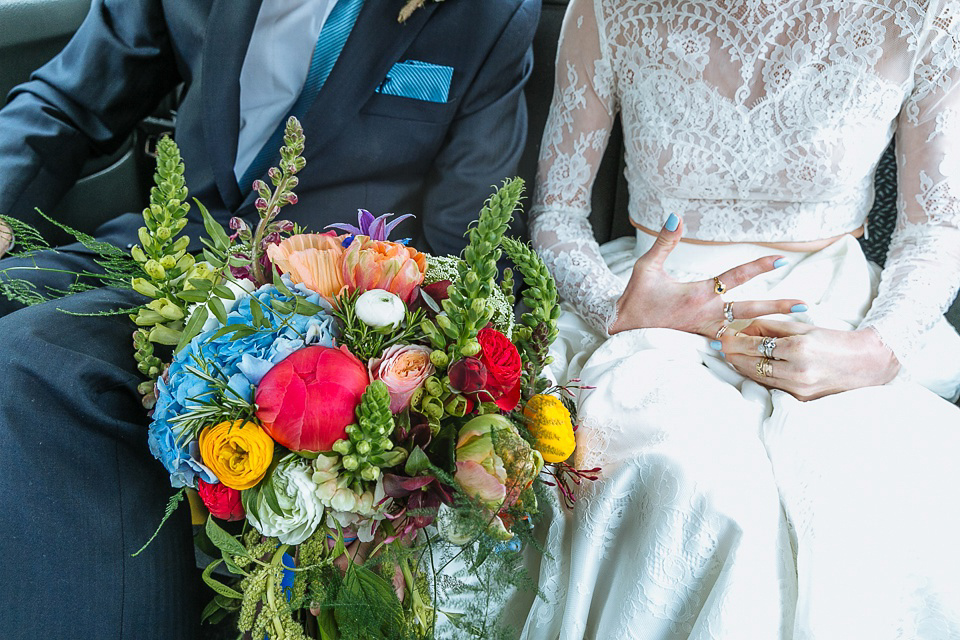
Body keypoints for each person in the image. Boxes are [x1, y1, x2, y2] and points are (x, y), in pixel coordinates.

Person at [0, 0, 539, 637]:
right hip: (169, 250)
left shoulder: (488, 15)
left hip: (322, 314)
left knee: (29, 358)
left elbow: (465, 253)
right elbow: (67, 100)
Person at [520, 1, 960, 638]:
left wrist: (875, 350)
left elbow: (938, 229)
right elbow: (555, 215)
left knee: (879, 498)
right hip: (650, 310)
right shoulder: (607, 8)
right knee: (688, 487)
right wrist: (614, 308)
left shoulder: (926, 14)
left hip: (834, 313)